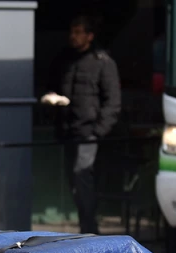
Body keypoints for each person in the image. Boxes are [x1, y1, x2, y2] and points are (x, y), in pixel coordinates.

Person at [42, 15, 121, 235]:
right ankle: (85, 226)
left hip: (89, 132)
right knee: (75, 181)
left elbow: (113, 101)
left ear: (89, 35)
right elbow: (52, 85)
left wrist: (98, 130)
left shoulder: (102, 62)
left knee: (82, 175)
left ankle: (89, 228)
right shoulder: (64, 60)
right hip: (68, 130)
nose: (73, 37)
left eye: (78, 32)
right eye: (72, 32)